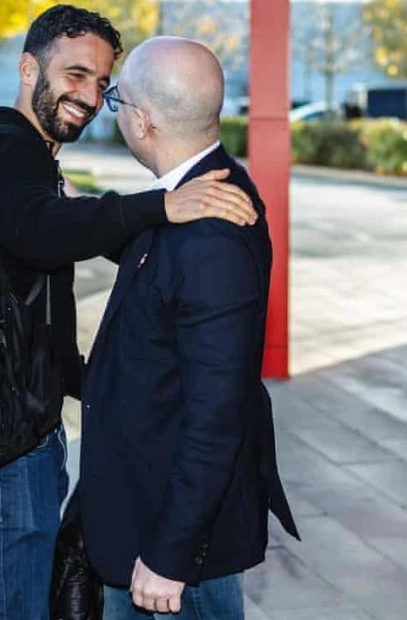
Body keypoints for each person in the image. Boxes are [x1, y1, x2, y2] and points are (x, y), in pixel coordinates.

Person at [0, 6, 257, 620]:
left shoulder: (26, 157)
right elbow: (38, 230)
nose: (89, 94)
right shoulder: (6, 143)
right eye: (75, 74)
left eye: (103, 83)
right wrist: (161, 205)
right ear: (29, 68)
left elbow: (43, 271)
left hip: (14, 425)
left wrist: (94, 384)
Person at [79, 36, 300, 619]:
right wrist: (74, 208)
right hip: (148, 517)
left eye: (116, 102)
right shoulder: (195, 192)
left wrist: (170, 557)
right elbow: (157, 269)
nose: (115, 113)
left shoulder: (212, 231)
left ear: (143, 121)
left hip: (172, 551)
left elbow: (216, 415)